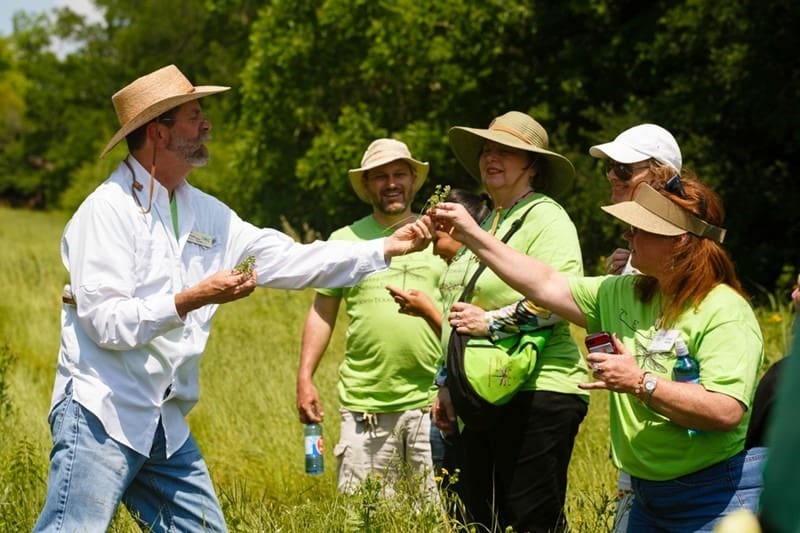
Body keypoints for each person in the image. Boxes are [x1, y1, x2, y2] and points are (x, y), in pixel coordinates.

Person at [34, 65, 431, 533]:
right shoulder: (107, 211)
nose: (207, 125)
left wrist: (385, 248)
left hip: (163, 420)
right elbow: (106, 322)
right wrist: (190, 299)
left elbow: (290, 258)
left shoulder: (206, 213)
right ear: (158, 132)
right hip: (102, 411)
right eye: (194, 117)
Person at [432, 170, 766, 532]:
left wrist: (640, 381)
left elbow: (725, 410)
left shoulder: (725, 311)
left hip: (713, 496)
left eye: (639, 229)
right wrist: (472, 234)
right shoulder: (623, 292)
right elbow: (545, 283)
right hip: (646, 496)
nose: (627, 235)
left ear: (679, 241)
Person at [430, 111, 590, 532]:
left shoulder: (547, 218)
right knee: (479, 521)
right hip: (483, 392)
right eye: (486, 149)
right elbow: (458, 307)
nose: (491, 157)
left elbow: (561, 300)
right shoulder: (486, 220)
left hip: (539, 390)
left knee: (529, 521)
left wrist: (493, 323)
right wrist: (448, 383)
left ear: (532, 164)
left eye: (506, 151)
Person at [295, 138, 444, 497]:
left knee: (437, 515)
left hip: (433, 402)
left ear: (413, 180)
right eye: (380, 176)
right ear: (366, 185)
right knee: (366, 515)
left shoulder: (441, 236)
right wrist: (305, 377)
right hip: (366, 407)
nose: (391, 183)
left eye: (399, 174)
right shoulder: (345, 240)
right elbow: (322, 311)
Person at [589, 122, 683, 531]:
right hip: (637, 449)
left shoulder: (684, 247)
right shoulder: (633, 256)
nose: (612, 175)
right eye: (610, 167)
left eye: (624, 169)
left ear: (661, 176)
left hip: (682, 452)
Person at [387, 188, 492, 501]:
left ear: (455, 229)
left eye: (437, 239)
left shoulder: (481, 276)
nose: (433, 251)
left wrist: (428, 312)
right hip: (449, 394)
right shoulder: (453, 272)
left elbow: (466, 342)